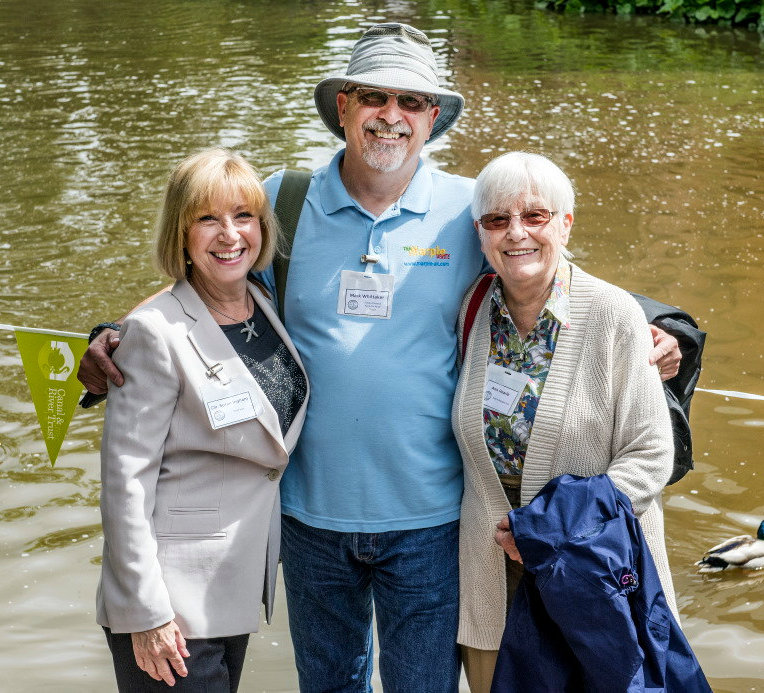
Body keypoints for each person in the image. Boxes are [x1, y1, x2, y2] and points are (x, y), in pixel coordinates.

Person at [80, 24, 684, 693]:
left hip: (431, 522)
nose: (391, 115)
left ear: (432, 119)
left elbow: (543, 264)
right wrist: (117, 331)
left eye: (413, 101)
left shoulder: (468, 208)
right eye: (374, 96)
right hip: (309, 516)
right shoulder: (285, 200)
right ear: (343, 106)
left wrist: (656, 323)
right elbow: (209, 275)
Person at [452, 152, 678, 693]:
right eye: (497, 220)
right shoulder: (472, 309)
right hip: (490, 578)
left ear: (566, 223)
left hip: (596, 585)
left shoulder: (616, 315)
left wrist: (549, 529)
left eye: (535, 216)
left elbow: (651, 459)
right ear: (480, 236)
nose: (516, 234)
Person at [96, 148, 309, 692]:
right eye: (207, 218)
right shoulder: (153, 332)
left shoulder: (262, 302)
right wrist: (146, 613)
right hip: (170, 603)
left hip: (230, 590)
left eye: (243, 216)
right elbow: (125, 483)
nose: (229, 234)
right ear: (180, 233)